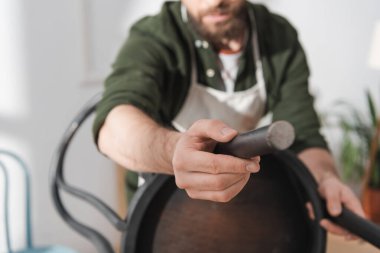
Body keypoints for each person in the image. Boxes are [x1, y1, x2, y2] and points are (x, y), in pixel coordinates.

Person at [93, 0, 365, 239]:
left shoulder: (277, 36)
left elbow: (304, 135)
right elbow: (114, 126)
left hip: (243, 206)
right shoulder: (155, 37)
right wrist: (176, 152)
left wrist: (325, 177)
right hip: (161, 214)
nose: (215, 1)